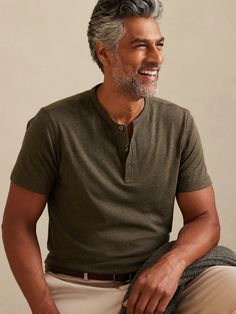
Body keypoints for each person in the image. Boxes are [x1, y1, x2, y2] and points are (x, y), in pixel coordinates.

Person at [2, 0, 236, 314]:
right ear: (104, 53)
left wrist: (171, 265)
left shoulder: (178, 122)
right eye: (141, 46)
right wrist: (44, 309)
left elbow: (206, 220)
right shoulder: (54, 125)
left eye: (160, 44)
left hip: (161, 286)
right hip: (79, 289)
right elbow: (17, 223)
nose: (156, 58)